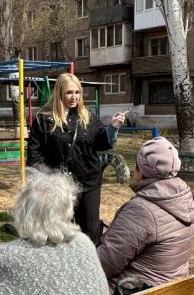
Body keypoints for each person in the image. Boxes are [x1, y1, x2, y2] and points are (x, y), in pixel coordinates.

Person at [26, 72, 126, 243]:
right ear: (59, 93)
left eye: (77, 92)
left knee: (89, 228)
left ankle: (91, 256)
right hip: (57, 186)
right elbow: (34, 153)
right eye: (69, 93)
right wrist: (43, 181)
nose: (74, 97)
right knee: (59, 229)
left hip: (88, 182)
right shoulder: (44, 118)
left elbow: (102, 143)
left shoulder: (87, 116)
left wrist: (113, 127)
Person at [97, 137, 194, 295]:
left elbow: (104, 263)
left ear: (142, 170)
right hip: (170, 293)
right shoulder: (182, 198)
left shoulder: (141, 210)